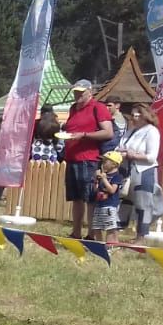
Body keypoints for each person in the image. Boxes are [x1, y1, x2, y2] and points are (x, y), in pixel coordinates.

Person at [60, 79, 114, 239]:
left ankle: (91, 233)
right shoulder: (73, 109)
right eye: (75, 92)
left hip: (89, 159)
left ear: (90, 92)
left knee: (90, 197)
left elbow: (108, 132)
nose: (77, 95)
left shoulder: (98, 108)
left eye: (81, 92)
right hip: (72, 158)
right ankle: (76, 232)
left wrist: (84, 135)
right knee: (76, 198)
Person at [116, 104, 163, 243]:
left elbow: (151, 157)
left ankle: (141, 236)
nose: (133, 118)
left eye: (137, 115)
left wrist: (132, 154)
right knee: (125, 202)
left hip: (144, 171)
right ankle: (117, 232)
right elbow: (120, 146)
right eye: (132, 115)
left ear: (145, 115)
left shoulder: (152, 131)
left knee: (144, 205)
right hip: (128, 171)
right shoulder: (131, 131)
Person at [91, 152, 125, 243]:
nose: (103, 163)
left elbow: (112, 190)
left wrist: (104, 179)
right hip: (99, 205)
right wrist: (96, 180)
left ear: (114, 164)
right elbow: (95, 190)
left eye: (106, 161)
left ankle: (109, 246)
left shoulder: (117, 176)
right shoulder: (102, 175)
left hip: (110, 207)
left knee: (110, 228)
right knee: (96, 227)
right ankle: (99, 245)